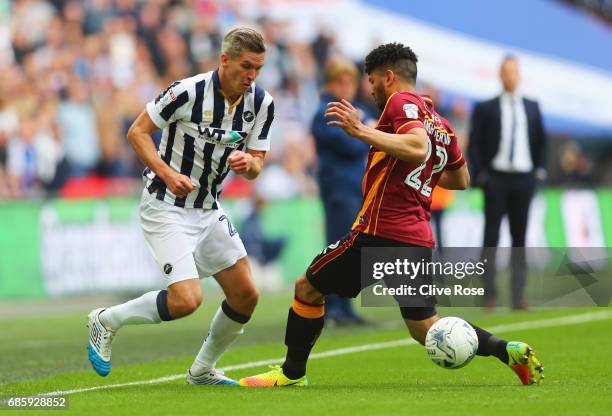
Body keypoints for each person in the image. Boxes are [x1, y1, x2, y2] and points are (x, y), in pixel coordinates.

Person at [239, 43, 543, 387]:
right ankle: (508, 351)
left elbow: (416, 147)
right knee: (425, 329)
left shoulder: (402, 102)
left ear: (389, 76)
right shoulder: (439, 121)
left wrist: (361, 131)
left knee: (307, 287)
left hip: (380, 233)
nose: (370, 89)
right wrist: (418, 159)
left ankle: (291, 374)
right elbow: (462, 178)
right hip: (417, 237)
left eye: (371, 81)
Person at [87, 27, 274, 385]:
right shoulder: (187, 92)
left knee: (246, 295)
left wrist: (249, 165)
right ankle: (106, 320)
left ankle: (202, 370)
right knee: (187, 300)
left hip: (207, 208)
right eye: (246, 66)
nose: (251, 76)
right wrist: (167, 173)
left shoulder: (261, 104)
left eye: (258, 69)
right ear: (225, 59)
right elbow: (136, 132)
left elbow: (257, 163)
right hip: (165, 205)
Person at [468, 55, 547, 310]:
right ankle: (488, 294)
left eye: (514, 72)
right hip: (496, 179)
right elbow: (475, 143)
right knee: (491, 236)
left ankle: (518, 295)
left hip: (524, 179)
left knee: (519, 237)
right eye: (506, 72)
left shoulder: (533, 106)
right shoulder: (485, 107)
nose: (510, 76)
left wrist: (540, 171)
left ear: (519, 75)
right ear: (500, 75)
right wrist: (481, 175)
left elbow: (541, 141)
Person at [311, 59, 371, 326]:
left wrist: (362, 131)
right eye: (342, 81)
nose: (347, 87)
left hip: (353, 188)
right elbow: (353, 147)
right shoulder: (326, 112)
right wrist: (365, 132)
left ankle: (344, 307)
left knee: (349, 249)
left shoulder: (352, 113)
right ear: (331, 83)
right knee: (338, 247)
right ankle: (333, 306)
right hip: (338, 188)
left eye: (351, 81)